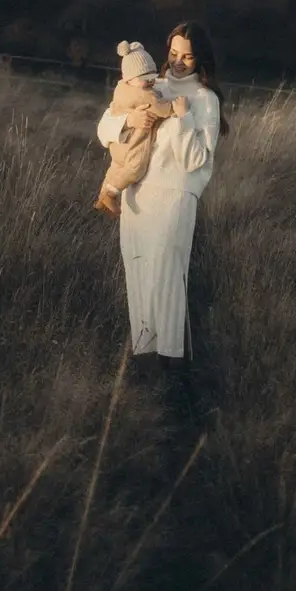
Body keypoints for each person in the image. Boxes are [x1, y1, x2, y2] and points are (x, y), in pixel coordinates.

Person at [96, 21, 225, 367]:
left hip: (174, 199)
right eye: (173, 53)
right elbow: (104, 128)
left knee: (167, 281)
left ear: (201, 59)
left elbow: (197, 159)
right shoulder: (149, 85)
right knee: (138, 276)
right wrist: (128, 123)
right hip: (137, 196)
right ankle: (143, 372)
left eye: (188, 56)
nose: (179, 61)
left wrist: (182, 120)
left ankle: (173, 371)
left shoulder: (206, 100)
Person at [93, 40, 187, 217]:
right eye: (145, 78)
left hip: (119, 147)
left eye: (152, 75)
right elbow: (161, 108)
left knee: (115, 167)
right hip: (132, 143)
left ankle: (102, 196)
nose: (150, 80)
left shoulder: (122, 88)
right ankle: (112, 194)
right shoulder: (145, 95)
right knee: (135, 167)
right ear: (130, 78)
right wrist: (176, 108)